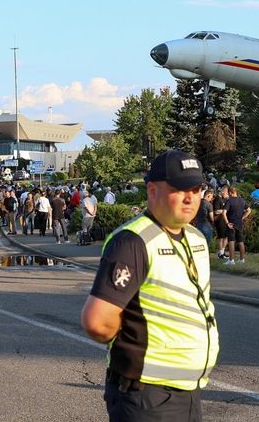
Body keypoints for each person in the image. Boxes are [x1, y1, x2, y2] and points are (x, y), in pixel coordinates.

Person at [80, 150, 218, 421]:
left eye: (196, 188)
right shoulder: (133, 241)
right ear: (152, 191)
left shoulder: (195, 238)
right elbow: (97, 321)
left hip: (188, 392)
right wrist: (131, 344)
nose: (190, 197)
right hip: (147, 397)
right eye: (179, 189)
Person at [223, 186, 251, 265]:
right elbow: (249, 210)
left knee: (231, 241)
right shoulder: (242, 200)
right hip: (239, 223)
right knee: (240, 241)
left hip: (231, 223)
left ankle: (231, 260)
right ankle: (242, 259)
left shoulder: (229, 201)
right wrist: (242, 217)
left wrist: (227, 223)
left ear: (230, 192)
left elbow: (223, 212)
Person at [213, 186, 229, 259]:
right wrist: (225, 211)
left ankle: (223, 252)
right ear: (223, 191)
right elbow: (216, 211)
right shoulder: (217, 199)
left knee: (226, 236)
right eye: (226, 192)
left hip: (225, 220)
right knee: (221, 237)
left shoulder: (224, 199)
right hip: (219, 220)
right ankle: (220, 253)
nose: (226, 194)